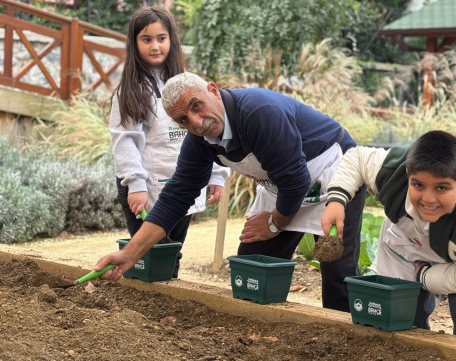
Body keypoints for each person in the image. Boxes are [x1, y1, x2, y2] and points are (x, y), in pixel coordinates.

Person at [97, 71, 366, 312]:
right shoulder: (200, 141)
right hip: (282, 183)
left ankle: (345, 340)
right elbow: (176, 197)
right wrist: (128, 255)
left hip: (334, 173)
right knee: (253, 262)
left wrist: (273, 223)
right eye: (183, 119)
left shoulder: (259, 113)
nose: (196, 122)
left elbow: (295, 180)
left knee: (336, 269)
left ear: (213, 90)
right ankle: (264, 331)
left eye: (196, 106)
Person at [320, 130, 456, 342]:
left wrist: (423, 276)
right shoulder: (393, 169)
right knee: (401, 311)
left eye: (441, 188)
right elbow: (357, 158)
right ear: (407, 174)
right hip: (411, 236)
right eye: (418, 185)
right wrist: (336, 200)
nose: (428, 198)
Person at [109, 7, 230, 278]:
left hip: (182, 183)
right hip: (143, 186)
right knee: (149, 257)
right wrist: (136, 185)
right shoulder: (130, 90)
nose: (155, 46)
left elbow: (209, 129)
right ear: (134, 43)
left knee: (173, 252)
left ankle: (166, 309)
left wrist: (218, 174)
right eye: (146, 39)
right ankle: (143, 310)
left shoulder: (187, 84)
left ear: (171, 40)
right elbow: (125, 141)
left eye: (161, 38)